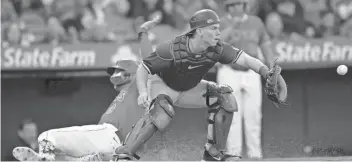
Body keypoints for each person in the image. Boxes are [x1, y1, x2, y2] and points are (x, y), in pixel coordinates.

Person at [111, 9, 287, 161]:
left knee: (225, 98)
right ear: (200, 31)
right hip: (163, 85)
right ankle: (124, 153)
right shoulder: (172, 49)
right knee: (162, 111)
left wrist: (265, 72)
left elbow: (246, 59)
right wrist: (142, 92)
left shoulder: (217, 48)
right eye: (214, 29)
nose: (219, 33)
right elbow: (143, 69)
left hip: (190, 88)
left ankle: (213, 153)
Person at [11, 59, 145, 161]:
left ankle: (45, 158)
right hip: (112, 150)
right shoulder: (123, 96)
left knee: (47, 137)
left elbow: (146, 67)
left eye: (120, 72)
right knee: (67, 156)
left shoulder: (137, 88)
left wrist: (143, 34)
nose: (115, 75)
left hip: (112, 136)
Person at [216, 0, 277, 159]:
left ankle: (255, 155)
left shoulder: (256, 22)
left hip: (251, 71)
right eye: (232, 5)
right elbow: (214, 45)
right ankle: (234, 155)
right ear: (227, 7)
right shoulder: (221, 22)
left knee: (253, 115)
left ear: (244, 5)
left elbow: (264, 42)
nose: (235, 8)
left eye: (238, 4)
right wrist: (232, 27)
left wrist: (271, 64)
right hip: (228, 70)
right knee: (232, 116)